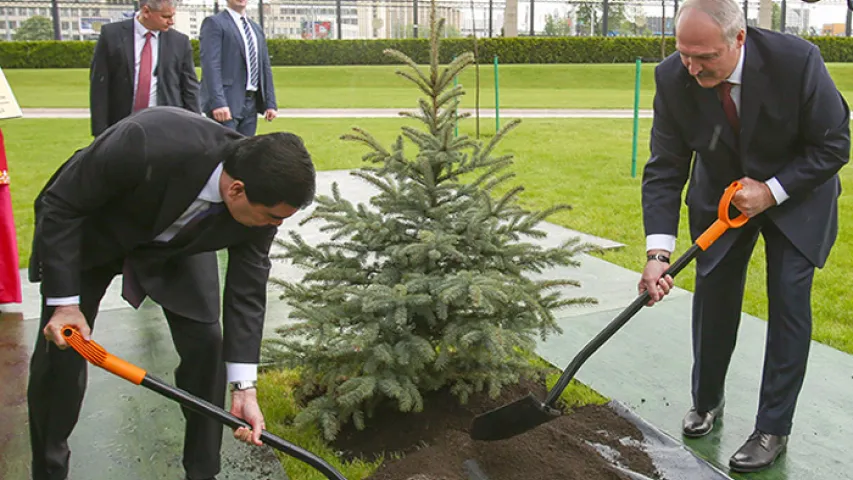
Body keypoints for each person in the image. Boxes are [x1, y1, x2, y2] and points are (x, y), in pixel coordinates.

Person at [26, 106, 316, 480]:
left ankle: (202, 472)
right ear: (236, 189)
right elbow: (62, 204)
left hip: (178, 247)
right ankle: (48, 471)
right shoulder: (145, 140)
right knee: (61, 352)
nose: (274, 227)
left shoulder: (260, 202)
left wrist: (245, 388)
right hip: (95, 232)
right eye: (273, 218)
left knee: (207, 345)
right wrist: (64, 304)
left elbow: (247, 291)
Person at [639, 0, 850, 473]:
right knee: (713, 294)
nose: (692, 68)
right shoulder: (673, 77)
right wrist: (658, 253)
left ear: (739, 39)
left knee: (789, 298)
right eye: (684, 54)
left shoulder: (796, 61)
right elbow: (666, 166)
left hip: (797, 193)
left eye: (705, 58)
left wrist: (772, 192)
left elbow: (836, 142)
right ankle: (707, 400)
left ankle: (773, 427)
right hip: (720, 196)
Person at [89, 0, 200, 137]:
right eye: (165, 17)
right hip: (120, 125)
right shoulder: (111, 35)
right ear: (146, 12)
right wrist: (100, 132)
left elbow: (190, 88)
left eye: (172, 16)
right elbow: (99, 86)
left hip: (167, 126)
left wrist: (197, 128)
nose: (171, 22)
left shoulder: (180, 42)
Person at [199, 0, 277, 136]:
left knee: (244, 154)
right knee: (224, 153)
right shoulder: (215, 23)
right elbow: (211, 66)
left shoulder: (255, 28)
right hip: (226, 103)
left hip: (251, 103)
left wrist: (270, 103)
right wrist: (218, 102)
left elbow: (264, 66)